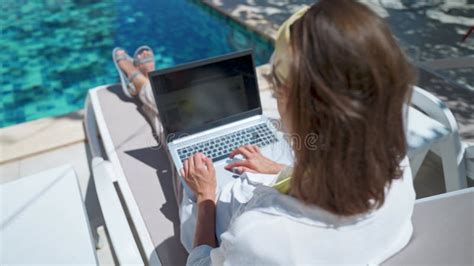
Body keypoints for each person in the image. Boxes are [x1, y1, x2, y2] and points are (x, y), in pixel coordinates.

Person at [113, 0, 417, 264]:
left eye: (275, 82)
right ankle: (144, 81)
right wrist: (280, 170)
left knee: (171, 131)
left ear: (297, 105)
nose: (274, 92)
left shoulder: (260, 236)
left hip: (217, 218)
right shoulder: (398, 171)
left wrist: (205, 196)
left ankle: (139, 80)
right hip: (268, 185)